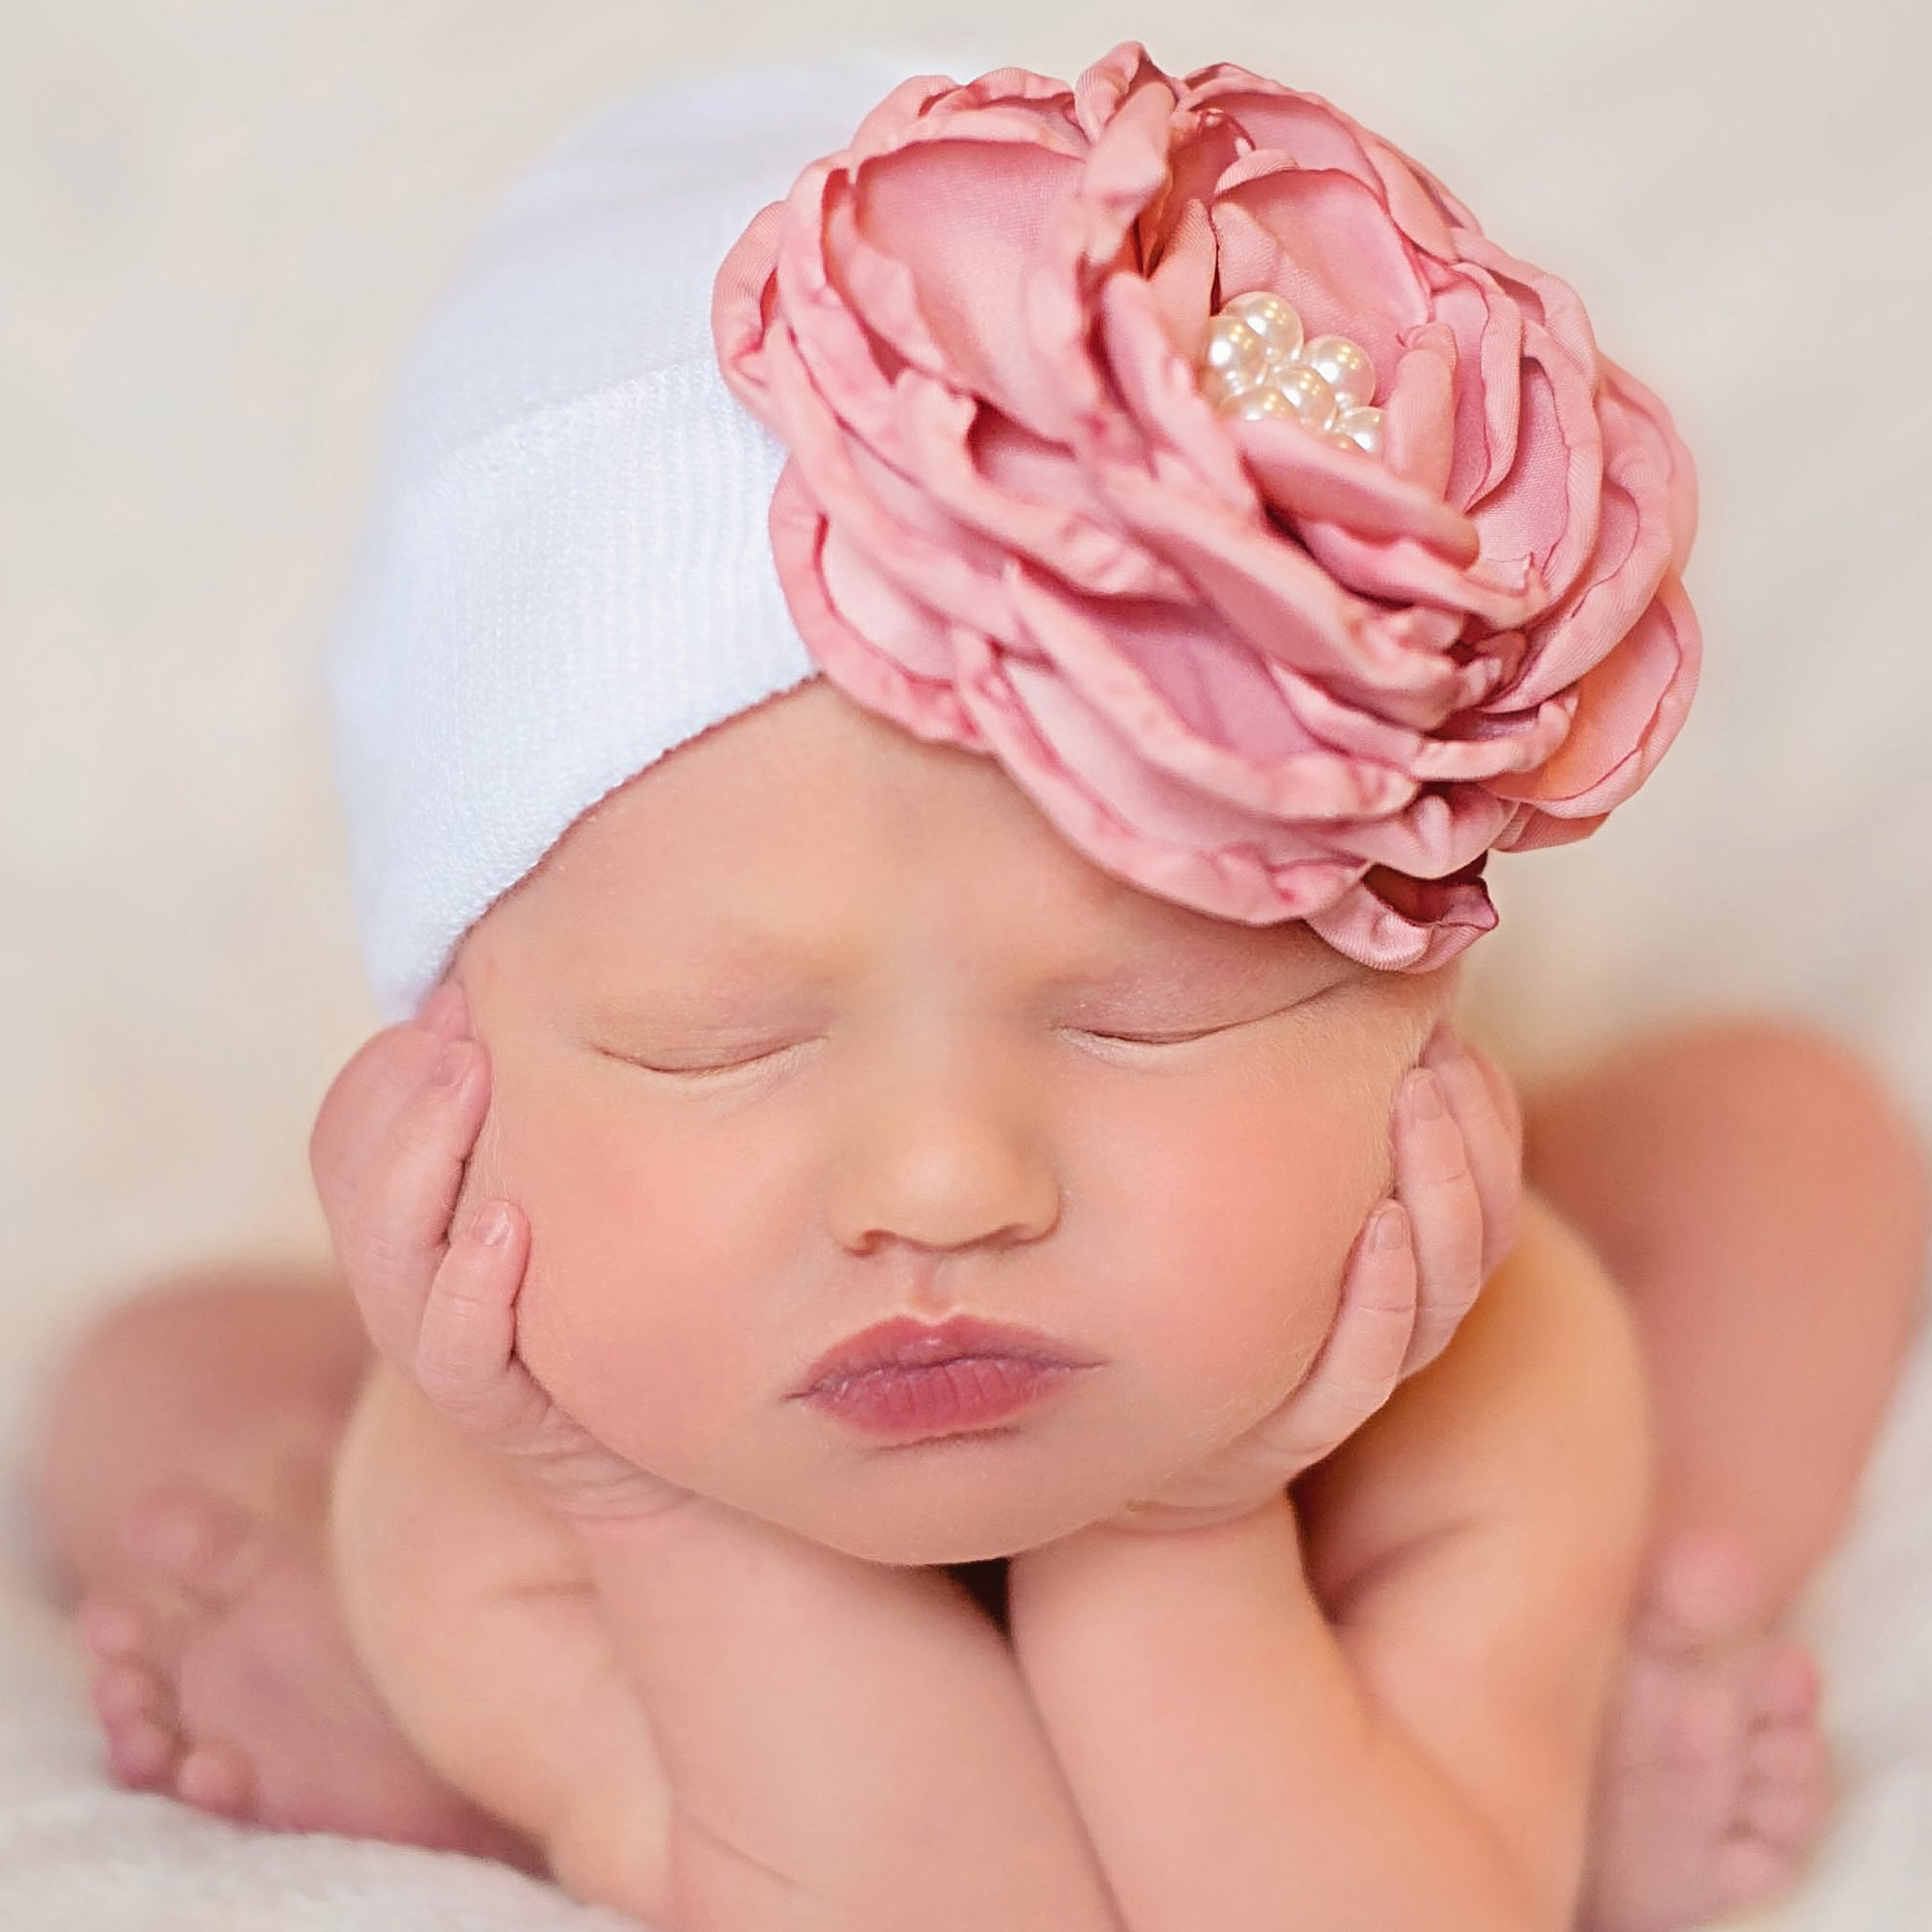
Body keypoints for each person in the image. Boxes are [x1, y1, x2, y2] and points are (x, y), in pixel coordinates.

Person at [27, 42, 1930, 1932]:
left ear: (1408, 1025)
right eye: (717, 1040)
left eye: (1147, 1009)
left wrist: (1187, 1527)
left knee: (1780, 1139)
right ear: (461, 1059)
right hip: (649, 1492)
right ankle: (375, 1666)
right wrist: (645, 1511)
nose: (943, 1181)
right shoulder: (501, 1491)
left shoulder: (1490, 1375)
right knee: (165, 1369)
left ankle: (1653, 1631)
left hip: (1321, 1431)